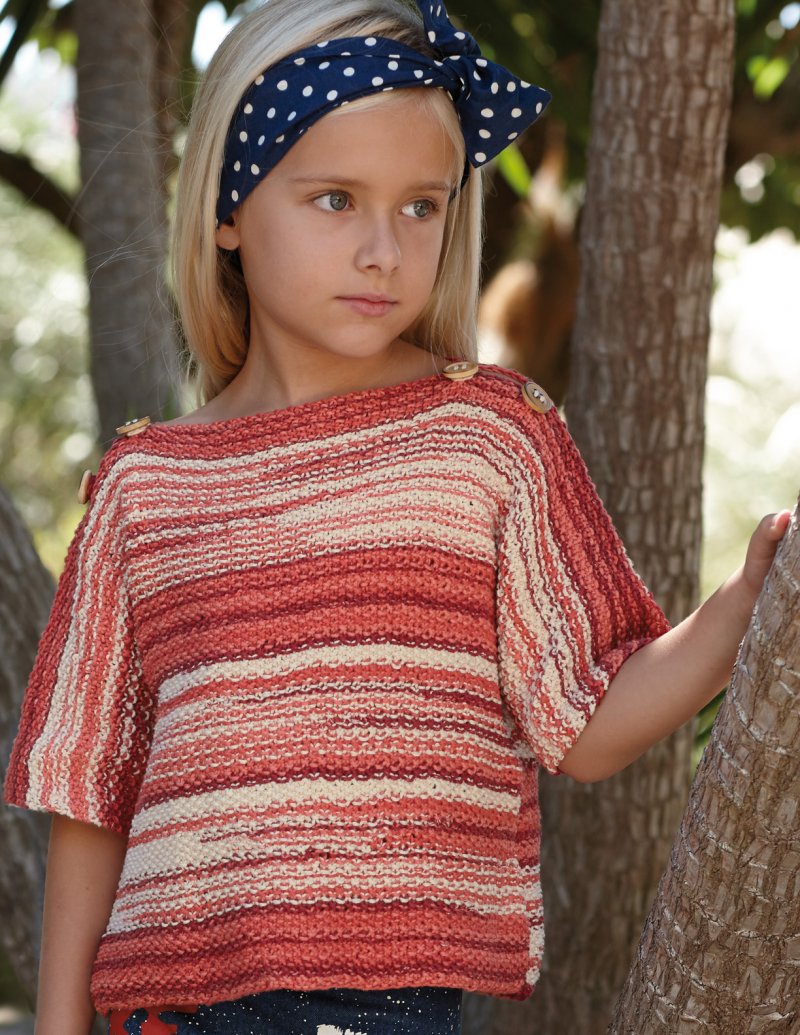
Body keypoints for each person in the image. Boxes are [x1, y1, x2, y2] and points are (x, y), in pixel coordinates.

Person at [3, 1, 791, 1033]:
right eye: (335, 199)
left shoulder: (486, 439)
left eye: (421, 207)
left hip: (382, 1008)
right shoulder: (146, 484)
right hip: (165, 1011)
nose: (383, 249)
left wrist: (743, 605)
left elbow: (586, 724)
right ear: (228, 207)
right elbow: (92, 794)